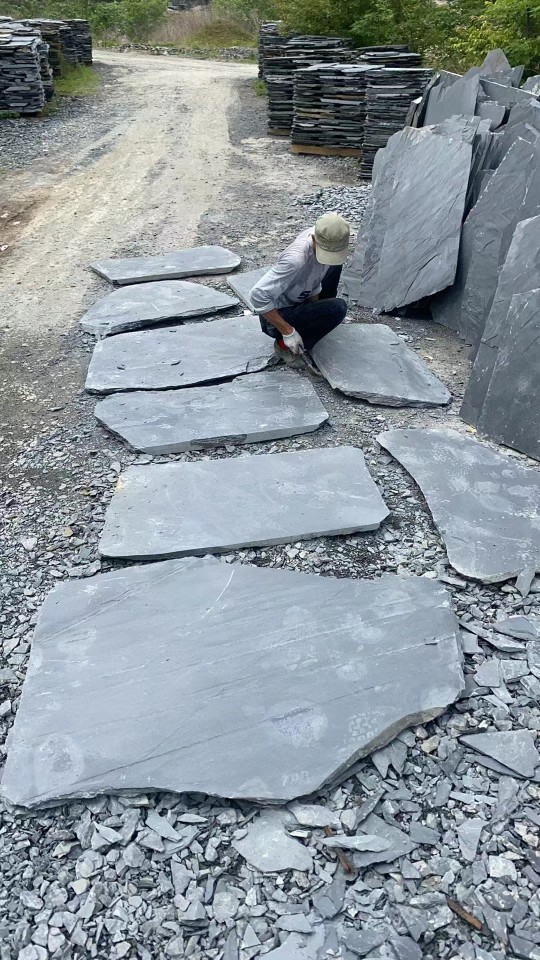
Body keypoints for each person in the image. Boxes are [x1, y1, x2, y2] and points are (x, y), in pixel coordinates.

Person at [250, 213, 350, 364]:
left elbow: (315, 277)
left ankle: (312, 325)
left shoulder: (330, 237)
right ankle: (285, 345)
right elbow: (257, 296)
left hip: (299, 296)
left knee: (334, 266)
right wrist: (288, 331)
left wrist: (314, 308)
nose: (328, 257)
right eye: (325, 252)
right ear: (314, 239)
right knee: (339, 307)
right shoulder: (295, 260)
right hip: (277, 316)